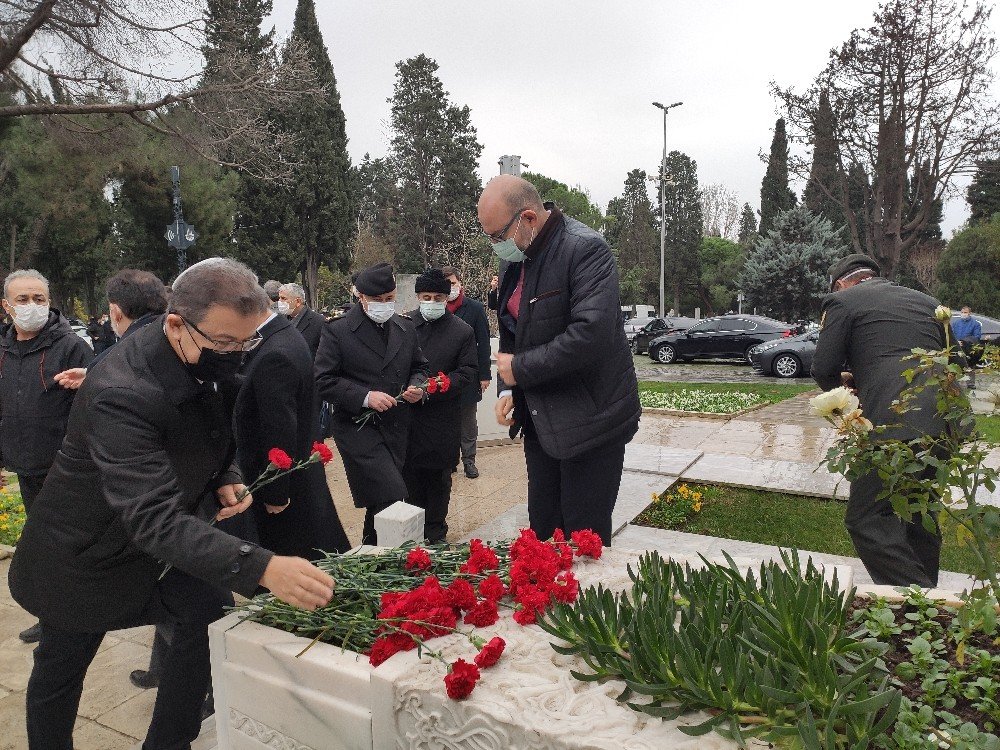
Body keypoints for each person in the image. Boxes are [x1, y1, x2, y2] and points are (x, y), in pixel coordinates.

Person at [8, 258, 335, 750]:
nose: (236, 355)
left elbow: (216, 425)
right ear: (176, 325)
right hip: (86, 552)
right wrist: (264, 568)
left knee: (206, 616)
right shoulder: (122, 390)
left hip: (158, 544)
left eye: (247, 342)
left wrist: (226, 474)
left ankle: (170, 741)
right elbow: (154, 520)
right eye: (225, 343)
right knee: (61, 668)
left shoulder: (211, 351)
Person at [478, 175, 641, 546]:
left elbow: (591, 334)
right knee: (544, 534)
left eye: (497, 236)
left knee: (583, 540)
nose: (495, 247)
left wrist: (518, 370)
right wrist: (509, 389)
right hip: (542, 420)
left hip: (592, 421)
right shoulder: (515, 260)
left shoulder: (584, 250)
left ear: (529, 218)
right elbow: (511, 330)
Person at [811, 253, 947, 588]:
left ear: (841, 283)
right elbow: (951, 357)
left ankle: (922, 602)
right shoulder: (927, 301)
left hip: (891, 422)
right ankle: (919, 616)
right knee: (919, 512)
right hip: (943, 419)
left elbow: (823, 368)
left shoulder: (842, 300)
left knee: (867, 520)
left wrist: (845, 397)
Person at [0, 269, 94, 644]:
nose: (32, 306)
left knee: (68, 544)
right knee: (41, 543)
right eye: (22, 300)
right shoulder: (3, 351)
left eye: (39, 298)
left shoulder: (71, 346)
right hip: (25, 464)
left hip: (65, 469)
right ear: (6, 306)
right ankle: (53, 615)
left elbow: (89, 408)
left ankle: (74, 614)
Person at [314, 262, 429, 544]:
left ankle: (374, 552)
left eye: (390, 299)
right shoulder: (337, 331)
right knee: (390, 491)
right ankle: (386, 550)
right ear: (361, 297)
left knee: (382, 499)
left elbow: (421, 367)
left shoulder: (405, 327)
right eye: (377, 300)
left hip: (396, 425)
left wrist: (418, 387)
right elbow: (323, 380)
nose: (385, 305)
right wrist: (365, 397)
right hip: (358, 428)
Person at [234, 300, 351, 558]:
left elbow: (279, 427)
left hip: (285, 487)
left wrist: (274, 491)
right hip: (299, 476)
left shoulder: (273, 353)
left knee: (296, 560)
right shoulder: (283, 334)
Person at [403, 269, 478, 542]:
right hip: (408, 416)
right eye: (426, 297)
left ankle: (435, 533)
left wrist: (434, 386)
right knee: (409, 479)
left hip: (442, 417)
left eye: (438, 297)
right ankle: (409, 534)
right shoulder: (404, 325)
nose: (432, 302)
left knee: (438, 480)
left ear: (447, 298)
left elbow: (467, 371)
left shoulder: (462, 331)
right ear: (418, 297)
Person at [54, 269, 169, 390]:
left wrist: (95, 373)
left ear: (115, 312)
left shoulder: (126, 356)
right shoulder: (175, 336)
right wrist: (89, 373)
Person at [441, 265, 492, 478]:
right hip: (442, 376)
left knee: (467, 421)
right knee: (444, 420)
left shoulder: (475, 308)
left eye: (452, 283)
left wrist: (485, 374)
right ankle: (448, 460)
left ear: (460, 283)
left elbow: (484, 342)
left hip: (468, 375)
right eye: (446, 285)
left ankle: (469, 460)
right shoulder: (435, 308)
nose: (449, 288)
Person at [279, 282, 326, 360]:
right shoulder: (280, 320)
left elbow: (323, 355)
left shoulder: (319, 322)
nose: (280, 302)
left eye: (283, 298)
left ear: (298, 301)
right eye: (279, 298)